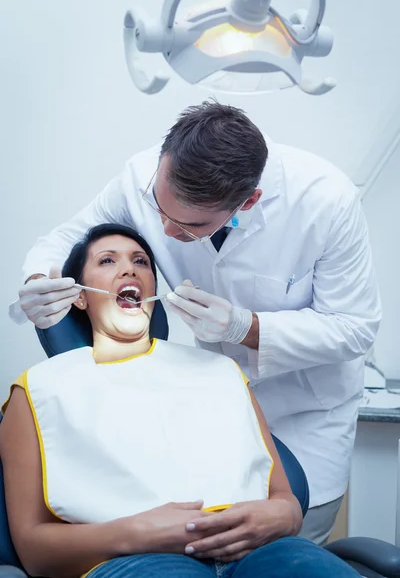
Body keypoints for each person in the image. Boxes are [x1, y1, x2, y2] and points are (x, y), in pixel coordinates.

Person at [10, 101, 381, 546]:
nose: (164, 233)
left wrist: (245, 327)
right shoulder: (42, 390)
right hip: (195, 471)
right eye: (158, 210)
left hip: (305, 412)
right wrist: (38, 279)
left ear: (248, 202)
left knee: (286, 550)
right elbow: (67, 240)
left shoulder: (325, 201)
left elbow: (355, 327)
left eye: (188, 227)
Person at [1, 223, 360, 578]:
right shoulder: (39, 389)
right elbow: (33, 551)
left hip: (262, 551)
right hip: (135, 558)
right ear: (80, 295)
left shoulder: (220, 371)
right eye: (107, 261)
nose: (129, 268)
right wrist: (136, 534)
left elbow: (284, 496)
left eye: (141, 261)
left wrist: (288, 514)